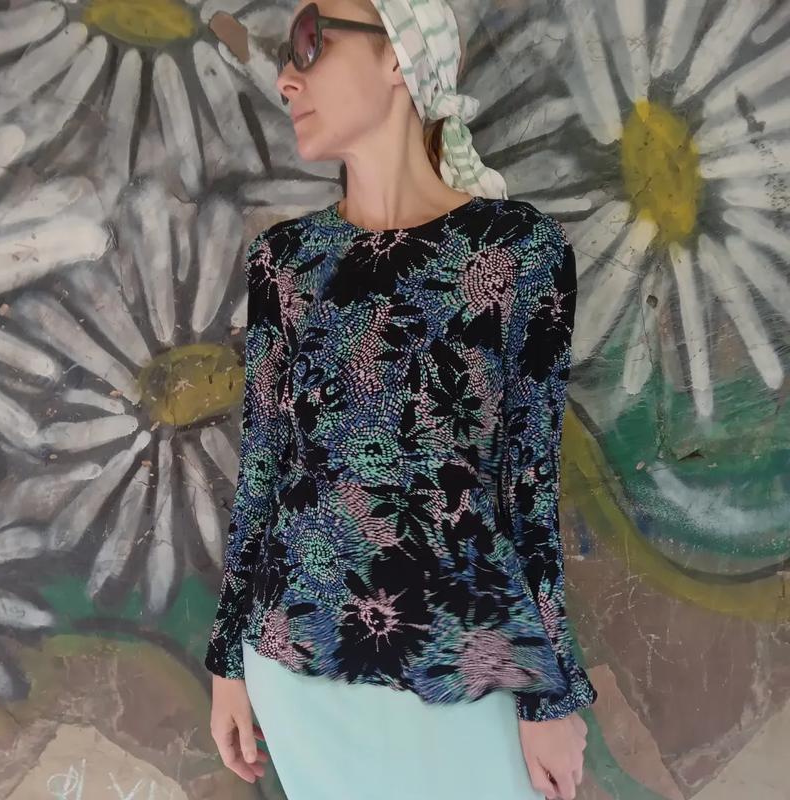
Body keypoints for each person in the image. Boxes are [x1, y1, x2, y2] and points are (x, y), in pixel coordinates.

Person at [205, 1, 599, 798]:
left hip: (469, 671)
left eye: (311, 41)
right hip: (296, 669)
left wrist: (551, 695)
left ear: (398, 57)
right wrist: (227, 663)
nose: (286, 78)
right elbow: (263, 477)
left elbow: (527, 491)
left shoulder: (517, 252)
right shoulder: (284, 261)